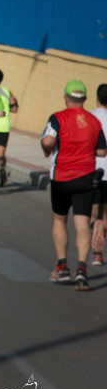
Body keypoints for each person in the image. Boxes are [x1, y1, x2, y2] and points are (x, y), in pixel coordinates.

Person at [41, 79, 106, 291]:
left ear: (65, 97)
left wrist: (46, 149)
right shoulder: (94, 122)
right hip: (86, 177)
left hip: (61, 177)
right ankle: (81, 269)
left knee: (59, 219)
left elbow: (48, 142)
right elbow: (101, 152)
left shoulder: (57, 118)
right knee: (82, 222)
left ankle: (62, 266)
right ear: (85, 99)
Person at [90, 84, 107, 265]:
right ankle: (98, 252)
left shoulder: (90, 116)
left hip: (93, 170)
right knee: (105, 211)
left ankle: (95, 251)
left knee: (94, 211)